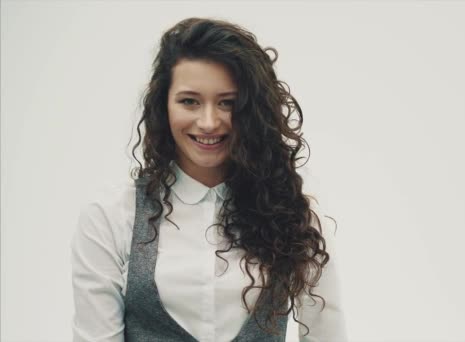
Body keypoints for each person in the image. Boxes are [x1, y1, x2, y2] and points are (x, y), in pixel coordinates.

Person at [70, 17, 347, 342]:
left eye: (228, 103)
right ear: (163, 105)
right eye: (189, 101)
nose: (208, 121)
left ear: (252, 110)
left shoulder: (296, 216)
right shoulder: (111, 217)